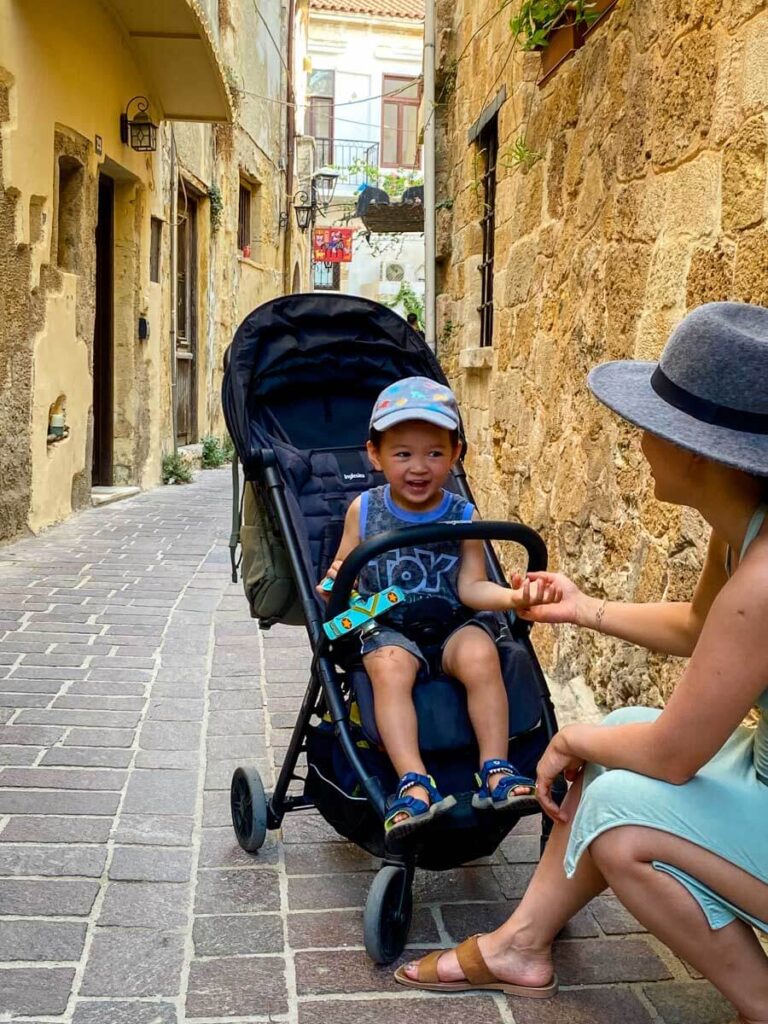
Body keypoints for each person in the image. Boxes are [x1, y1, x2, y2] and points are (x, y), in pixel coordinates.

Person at [395, 301, 768, 1018]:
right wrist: (582, 606)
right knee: (620, 731)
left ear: (697, 451)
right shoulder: (742, 529)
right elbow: (699, 626)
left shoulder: (761, 577)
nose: (638, 443)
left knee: (620, 822)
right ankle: (521, 945)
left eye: (652, 429)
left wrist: (568, 738)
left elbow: (672, 756)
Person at [318, 376, 561, 845]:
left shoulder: (463, 513)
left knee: (481, 652)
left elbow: (471, 586)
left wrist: (513, 598)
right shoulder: (364, 510)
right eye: (402, 453)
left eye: (434, 453)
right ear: (375, 454)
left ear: (455, 455)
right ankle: (413, 780)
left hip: (453, 619)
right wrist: (335, 584)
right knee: (388, 668)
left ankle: (497, 768)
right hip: (385, 623)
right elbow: (344, 566)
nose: (418, 467)